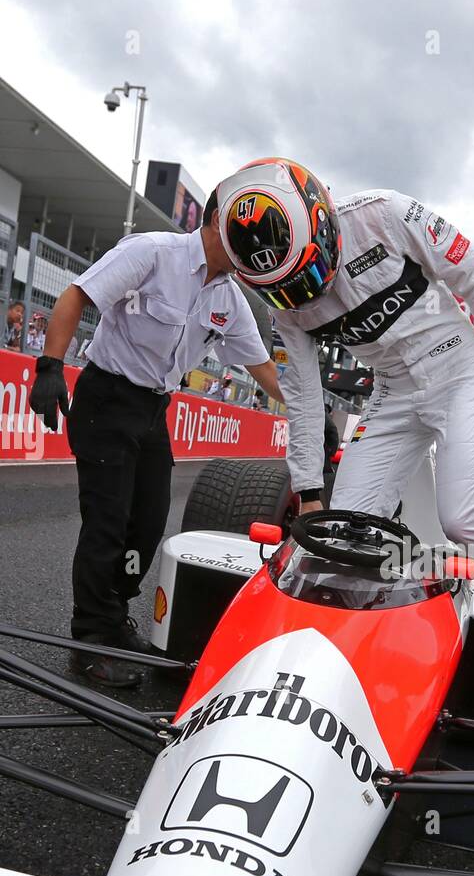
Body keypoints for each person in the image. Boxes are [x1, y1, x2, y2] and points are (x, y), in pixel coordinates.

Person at [213, 157, 474, 703]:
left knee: (464, 518)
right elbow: (304, 397)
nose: (305, 294)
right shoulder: (284, 305)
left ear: (322, 220)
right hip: (390, 394)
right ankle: (344, 655)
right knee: (342, 534)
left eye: (306, 274)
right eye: (288, 287)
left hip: (459, 371)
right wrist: (309, 491)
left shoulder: (384, 213)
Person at [28, 191, 283, 687]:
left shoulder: (230, 299)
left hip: (152, 411)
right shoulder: (151, 252)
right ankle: (90, 638)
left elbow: (263, 367)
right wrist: (49, 366)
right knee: (107, 522)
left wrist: (307, 410)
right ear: (215, 221)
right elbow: (77, 295)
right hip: (106, 399)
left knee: (146, 525)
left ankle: (114, 614)